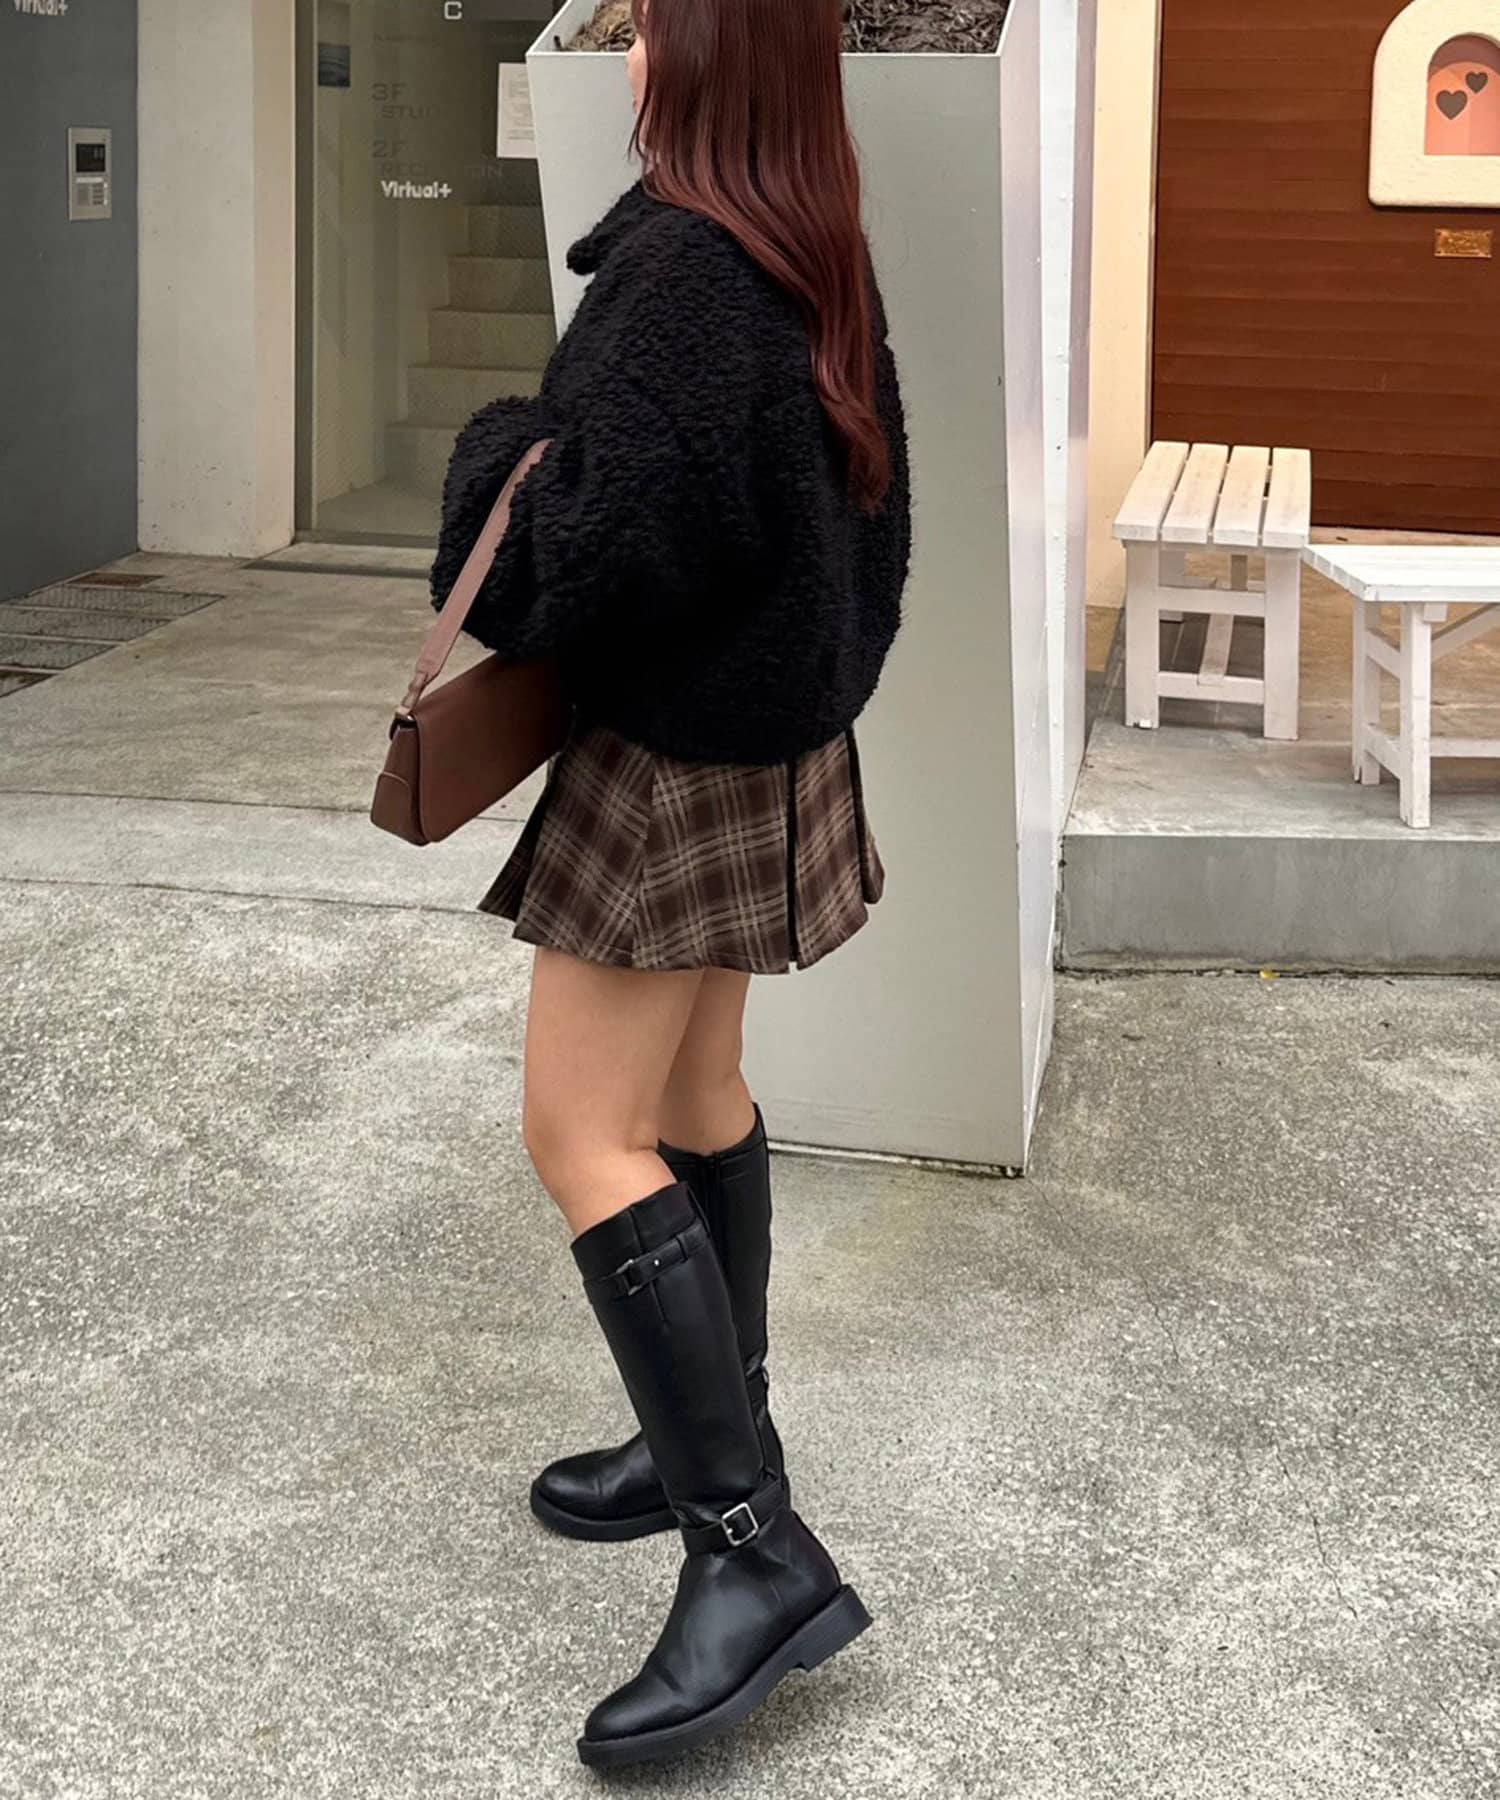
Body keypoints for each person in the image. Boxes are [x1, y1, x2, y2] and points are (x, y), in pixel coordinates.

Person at [428, 0, 910, 1768]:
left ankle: (749, 1545)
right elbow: (869, 531)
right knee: (698, 1098)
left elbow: (575, 559)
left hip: (674, 763)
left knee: (581, 1135)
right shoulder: (804, 243)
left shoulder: (682, 277)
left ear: (703, 59)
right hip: (766, 746)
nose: (626, 42)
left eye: (647, 17)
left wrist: (496, 446)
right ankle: (716, 1436)